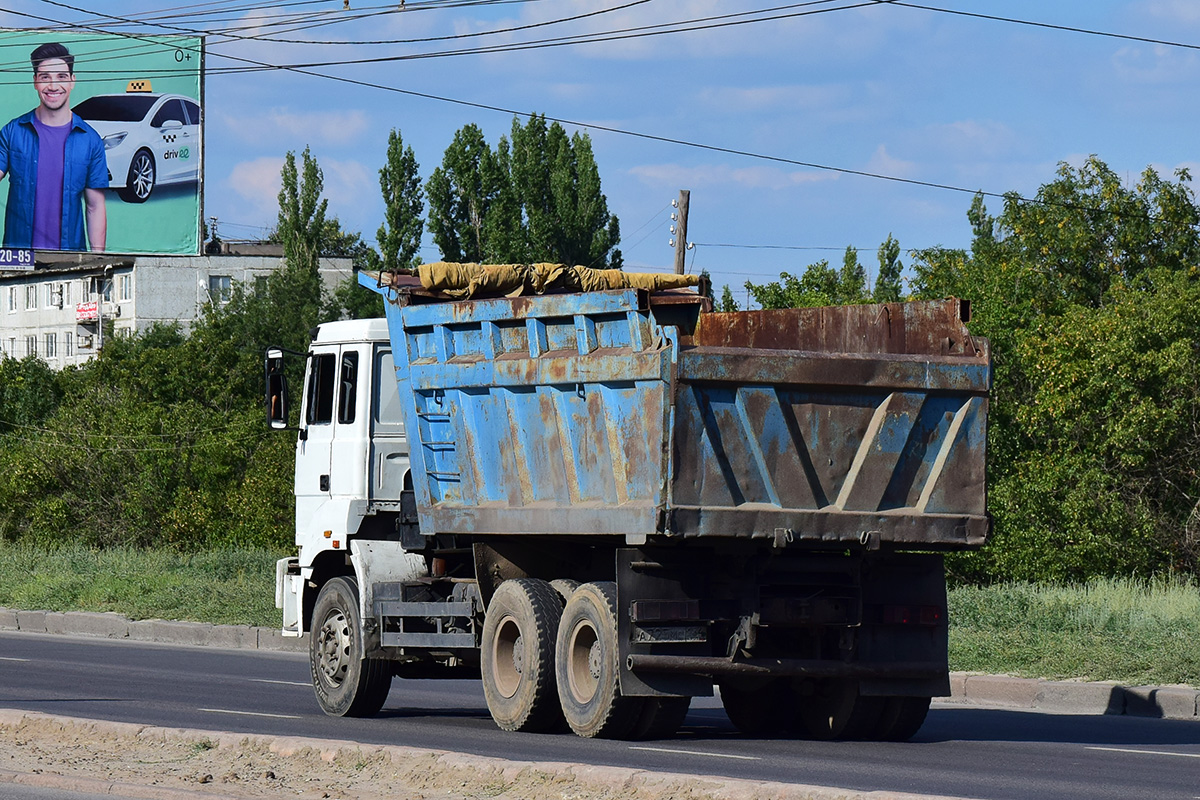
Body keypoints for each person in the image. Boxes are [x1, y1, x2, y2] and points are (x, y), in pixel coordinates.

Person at [0, 42, 108, 252]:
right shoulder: (12, 132)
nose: (53, 85)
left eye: (61, 76)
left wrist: (98, 264)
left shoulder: (90, 140)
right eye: (45, 77)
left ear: (72, 81)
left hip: (71, 256)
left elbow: (94, 207)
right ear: (35, 82)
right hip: (18, 260)